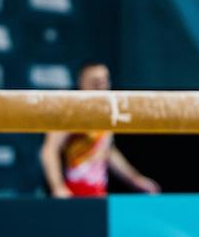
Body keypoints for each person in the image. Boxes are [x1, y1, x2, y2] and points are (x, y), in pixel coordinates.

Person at [39, 63, 160, 198]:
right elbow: (49, 150)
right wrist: (57, 187)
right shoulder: (70, 114)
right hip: (74, 192)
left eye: (104, 82)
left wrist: (135, 179)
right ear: (82, 83)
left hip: (98, 193)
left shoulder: (106, 116)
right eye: (95, 83)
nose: (101, 87)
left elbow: (107, 152)